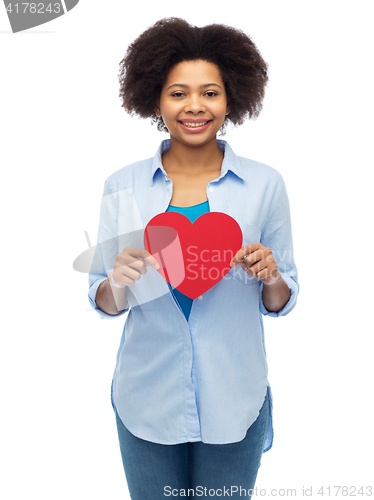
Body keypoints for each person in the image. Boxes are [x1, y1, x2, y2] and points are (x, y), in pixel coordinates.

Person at [88, 17, 299, 499]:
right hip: (146, 396)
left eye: (210, 92)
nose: (194, 107)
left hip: (236, 394)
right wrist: (116, 280)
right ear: (156, 101)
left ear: (231, 100)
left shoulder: (266, 185)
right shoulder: (123, 185)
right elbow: (103, 300)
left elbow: (283, 298)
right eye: (178, 93)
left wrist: (270, 276)